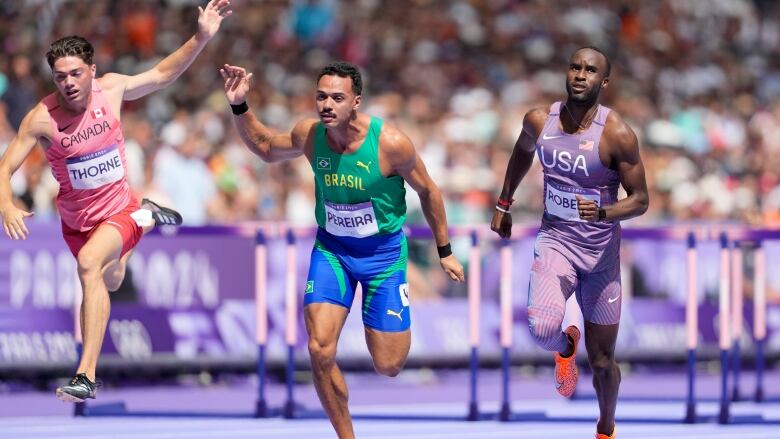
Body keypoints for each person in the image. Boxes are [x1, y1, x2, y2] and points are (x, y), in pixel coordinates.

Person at [0, 0, 234, 403]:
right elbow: (4, 167)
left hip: (116, 209)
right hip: (76, 222)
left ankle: (85, 375)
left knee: (91, 266)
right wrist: (5, 204)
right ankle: (147, 217)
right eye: (60, 77)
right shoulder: (41, 118)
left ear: (91, 70)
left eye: (76, 73)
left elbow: (162, 74)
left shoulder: (112, 88)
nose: (69, 83)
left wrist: (200, 37)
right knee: (111, 278)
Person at [220, 60, 465, 438]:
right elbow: (267, 147)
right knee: (319, 349)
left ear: (356, 102)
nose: (327, 105)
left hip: (383, 257)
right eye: (321, 96)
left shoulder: (390, 144)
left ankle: (377, 325)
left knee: (389, 364)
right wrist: (239, 105)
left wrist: (444, 250)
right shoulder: (310, 134)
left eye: (337, 97)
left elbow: (429, 190)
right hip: (333, 252)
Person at [490, 47, 649, 439]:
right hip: (556, 241)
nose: (580, 75)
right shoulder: (539, 120)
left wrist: (603, 213)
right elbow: (521, 152)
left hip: (601, 257)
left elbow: (641, 200)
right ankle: (565, 348)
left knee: (602, 361)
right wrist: (503, 203)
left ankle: (605, 428)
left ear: (603, 82)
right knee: (541, 328)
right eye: (575, 67)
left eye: (590, 70)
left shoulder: (617, 135)